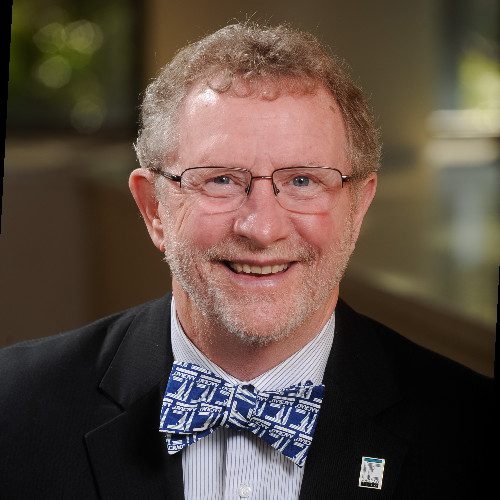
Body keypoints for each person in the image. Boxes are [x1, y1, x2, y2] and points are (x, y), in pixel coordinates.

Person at [0, 23, 494, 499]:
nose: (261, 228)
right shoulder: (15, 407)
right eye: (220, 179)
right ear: (153, 209)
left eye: (303, 181)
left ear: (357, 208)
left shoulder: (471, 432)